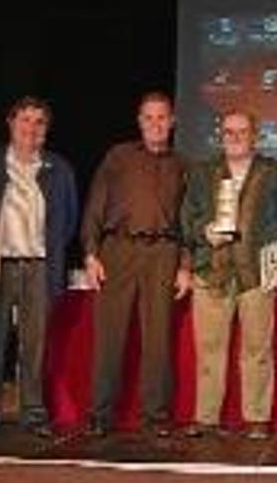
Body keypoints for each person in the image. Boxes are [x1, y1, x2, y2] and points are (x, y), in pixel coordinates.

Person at [0, 96, 79, 440]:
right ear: (11, 123)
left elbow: (68, 220)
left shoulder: (59, 169)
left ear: (46, 130)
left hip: (39, 267)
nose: (31, 128)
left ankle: (33, 414)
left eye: (39, 122)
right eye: (25, 120)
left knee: (36, 345)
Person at [179, 110, 277, 440]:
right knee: (209, 348)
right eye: (228, 132)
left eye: (241, 132)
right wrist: (205, 232)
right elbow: (186, 218)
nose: (234, 137)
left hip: (257, 272)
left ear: (254, 136)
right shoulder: (203, 172)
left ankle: (257, 418)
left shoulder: (272, 172)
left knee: (258, 349)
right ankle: (206, 418)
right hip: (211, 271)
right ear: (221, 135)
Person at [80, 91, 189, 438]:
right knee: (110, 336)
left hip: (163, 254)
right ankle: (100, 413)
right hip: (118, 250)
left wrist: (185, 264)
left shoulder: (183, 165)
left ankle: (156, 416)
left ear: (172, 122)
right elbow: (96, 202)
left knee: (158, 340)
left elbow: (188, 220)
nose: (156, 124)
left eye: (162, 118)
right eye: (149, 118)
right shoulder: (119, 156)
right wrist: (90, 252)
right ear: (140, 122)